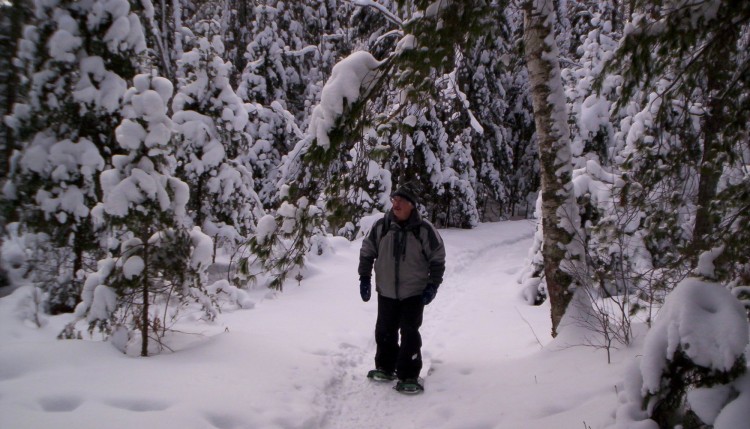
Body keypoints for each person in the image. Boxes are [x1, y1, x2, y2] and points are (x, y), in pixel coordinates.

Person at [358, 184, 446, 394]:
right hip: (386, 290)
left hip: (414, 292)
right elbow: (367, 250)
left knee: (409, 332)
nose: (395, 204)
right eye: (394, 200)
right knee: (385, 330)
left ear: (411, 205)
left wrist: (433, 285)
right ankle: (386, 367)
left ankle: (408, 375)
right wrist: (364, 277)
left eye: (400, 201)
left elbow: (437, 258)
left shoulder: (424, 229)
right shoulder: (382, 226)